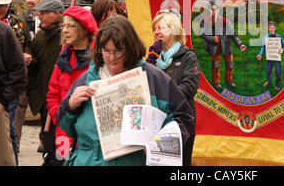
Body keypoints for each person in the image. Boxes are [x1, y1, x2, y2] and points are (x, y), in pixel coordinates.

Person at [56, 15, 194, 166]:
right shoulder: (87, 79)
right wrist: (70, 105)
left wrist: (159, 145)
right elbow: (64, 125)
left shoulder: (154, 79)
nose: (112, 57)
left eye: (118, 51)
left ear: (130, 48)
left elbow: (183, 118)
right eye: (106, 51)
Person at [46, 6, 97, 164]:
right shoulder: (63, 58)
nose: (65, 30)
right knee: (62, 162)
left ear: (83, 29)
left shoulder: (99, 60)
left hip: (90, 134)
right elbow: (52, 95)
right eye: (64, 26)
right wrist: (60, 116)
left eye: (70, 26)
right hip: (63, 133)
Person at [150, 10, 200, 166]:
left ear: (174, 30)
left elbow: (189, 87)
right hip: (156, 123)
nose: (156, 32)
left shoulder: (188, 56)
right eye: (155, 29)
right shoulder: (152, 56)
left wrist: (163, 97)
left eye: (161, 28)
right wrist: (150, 60)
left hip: (180, 123)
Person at [0, 0, 31, 164]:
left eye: (2, 6)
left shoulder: (11, 26)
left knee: (6, 143)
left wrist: (2, 101)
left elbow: (19, 67)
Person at [24, 0, 65, 155]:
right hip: (44, 93)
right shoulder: (41, 35)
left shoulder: (65, 35)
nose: (39, 17)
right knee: (46, 133)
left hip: (60, 96)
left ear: (56, 14)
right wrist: (29, 56)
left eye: (43, 13)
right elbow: (34, 53)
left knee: (59, 140)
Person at [13, 0, 45, 153]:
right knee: (20, 103)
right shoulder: (21, 20)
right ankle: (15, 141)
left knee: (45, 104)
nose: (29, 1)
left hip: (44, 68)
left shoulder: (51, 19)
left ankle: (44, 140)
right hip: (27, 68)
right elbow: (24, 43)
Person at [199, 1, 246, 90]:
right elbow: (201, 34)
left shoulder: (226, 21)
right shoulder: (205, 21)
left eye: (215, 10)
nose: (213, 12)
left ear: (218, 10)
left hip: (226, 45)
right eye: (211, 10)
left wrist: (240, 44)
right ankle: (216, 82)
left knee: (230, 63)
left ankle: (229, 81)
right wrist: (212, 39)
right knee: (216, 64)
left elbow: (233, 35)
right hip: (214, 47)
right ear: (208, 10)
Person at [256, 21, 284, 91]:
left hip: (277, 57)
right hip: (269, 57)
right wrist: (260, 54)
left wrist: (282, 49)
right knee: (268, 70)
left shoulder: (279, 36)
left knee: (278, 71)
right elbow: (263, 47)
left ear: (275, 28)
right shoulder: (266, 37)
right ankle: (269, 81)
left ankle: (277, 85)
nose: (272, 29)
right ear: (268, 28)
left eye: (273, 28)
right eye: (270, 28)